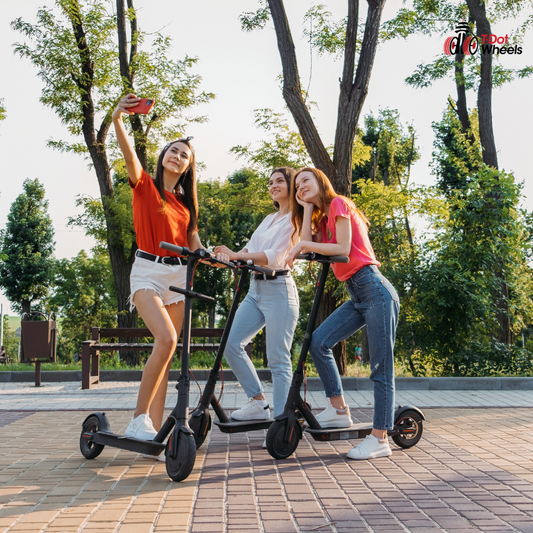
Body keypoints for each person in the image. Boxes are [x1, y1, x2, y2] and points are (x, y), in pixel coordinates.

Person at [112, 94, 226, 454]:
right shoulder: (144, 185)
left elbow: (195, 244)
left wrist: (217, 258)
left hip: (179, 278)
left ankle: (155, 428)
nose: (177, 156)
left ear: (189, 166)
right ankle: (138, 419)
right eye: (173, 151)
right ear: (163, 157)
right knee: (166, 341)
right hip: (147, 270)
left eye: (184, 155)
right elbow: (129, 155)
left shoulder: (186, 206)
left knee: (168, 350)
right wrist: (117, 118)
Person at [286, 167, 400, 461]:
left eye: (305, 181)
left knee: (380, 368)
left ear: (320, 181)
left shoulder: (339, 203)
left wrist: (302, 243)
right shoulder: (322, 217)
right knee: (318, 342)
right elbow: (311, 248)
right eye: (296, 186)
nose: (300, 187)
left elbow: (343, 248)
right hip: (356, 292)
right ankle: (339, 410)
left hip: (373, 287)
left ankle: (380, 438)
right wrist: (308, 208)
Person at [214, 168, 299, 440]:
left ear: (291, 185)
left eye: (279, 181)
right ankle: (259, 402)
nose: (273, 186)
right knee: (230, 343)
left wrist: (239, 255)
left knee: (278, 359)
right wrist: (226, 256)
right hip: (255, 289)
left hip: (279, 290)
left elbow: (275, 257)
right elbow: (249, 251)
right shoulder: (269, 218)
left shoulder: (296, 220)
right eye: (271, 182)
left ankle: (281, 424)